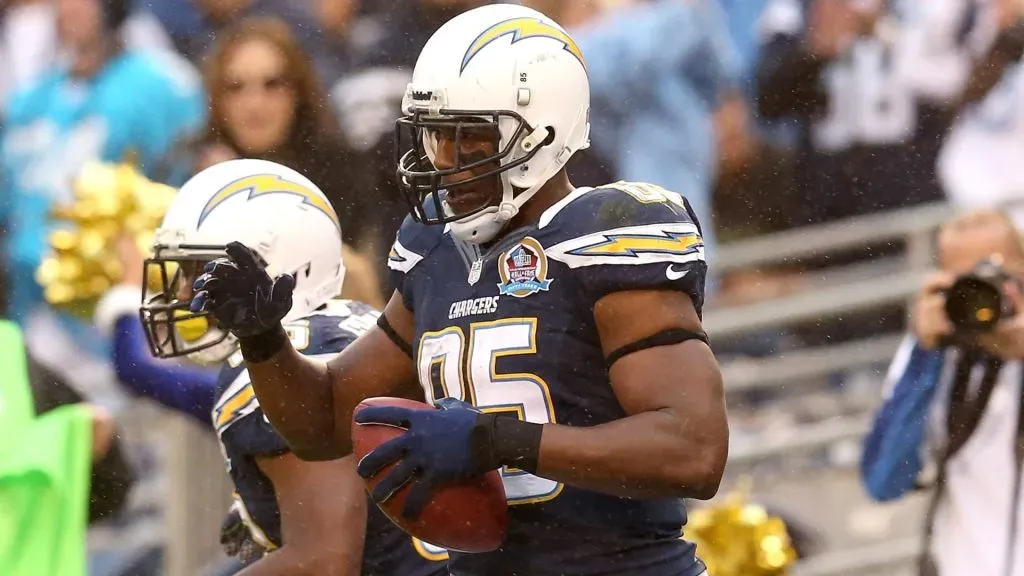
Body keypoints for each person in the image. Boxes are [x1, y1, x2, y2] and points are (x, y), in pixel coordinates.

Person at [190, 4, 728, 575]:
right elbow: (322, 423)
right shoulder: (437, 252)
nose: (444, 159)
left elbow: (693, 450)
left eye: (468, 138)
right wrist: (265, 342)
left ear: (546, 130)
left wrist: (503, 440)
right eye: (434, 137)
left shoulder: (605, 232)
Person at [138, 158, 449, 575]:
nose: (188, 291)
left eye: (202, 271)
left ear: (272, 267)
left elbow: (323, 562)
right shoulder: (353, 325)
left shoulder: (289, 364)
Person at [861, 209, 1024, 575]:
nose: (983, 299)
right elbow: (884, 481)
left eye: (996, 275)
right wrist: (925, 356)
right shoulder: (932, 358)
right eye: (966, 283)